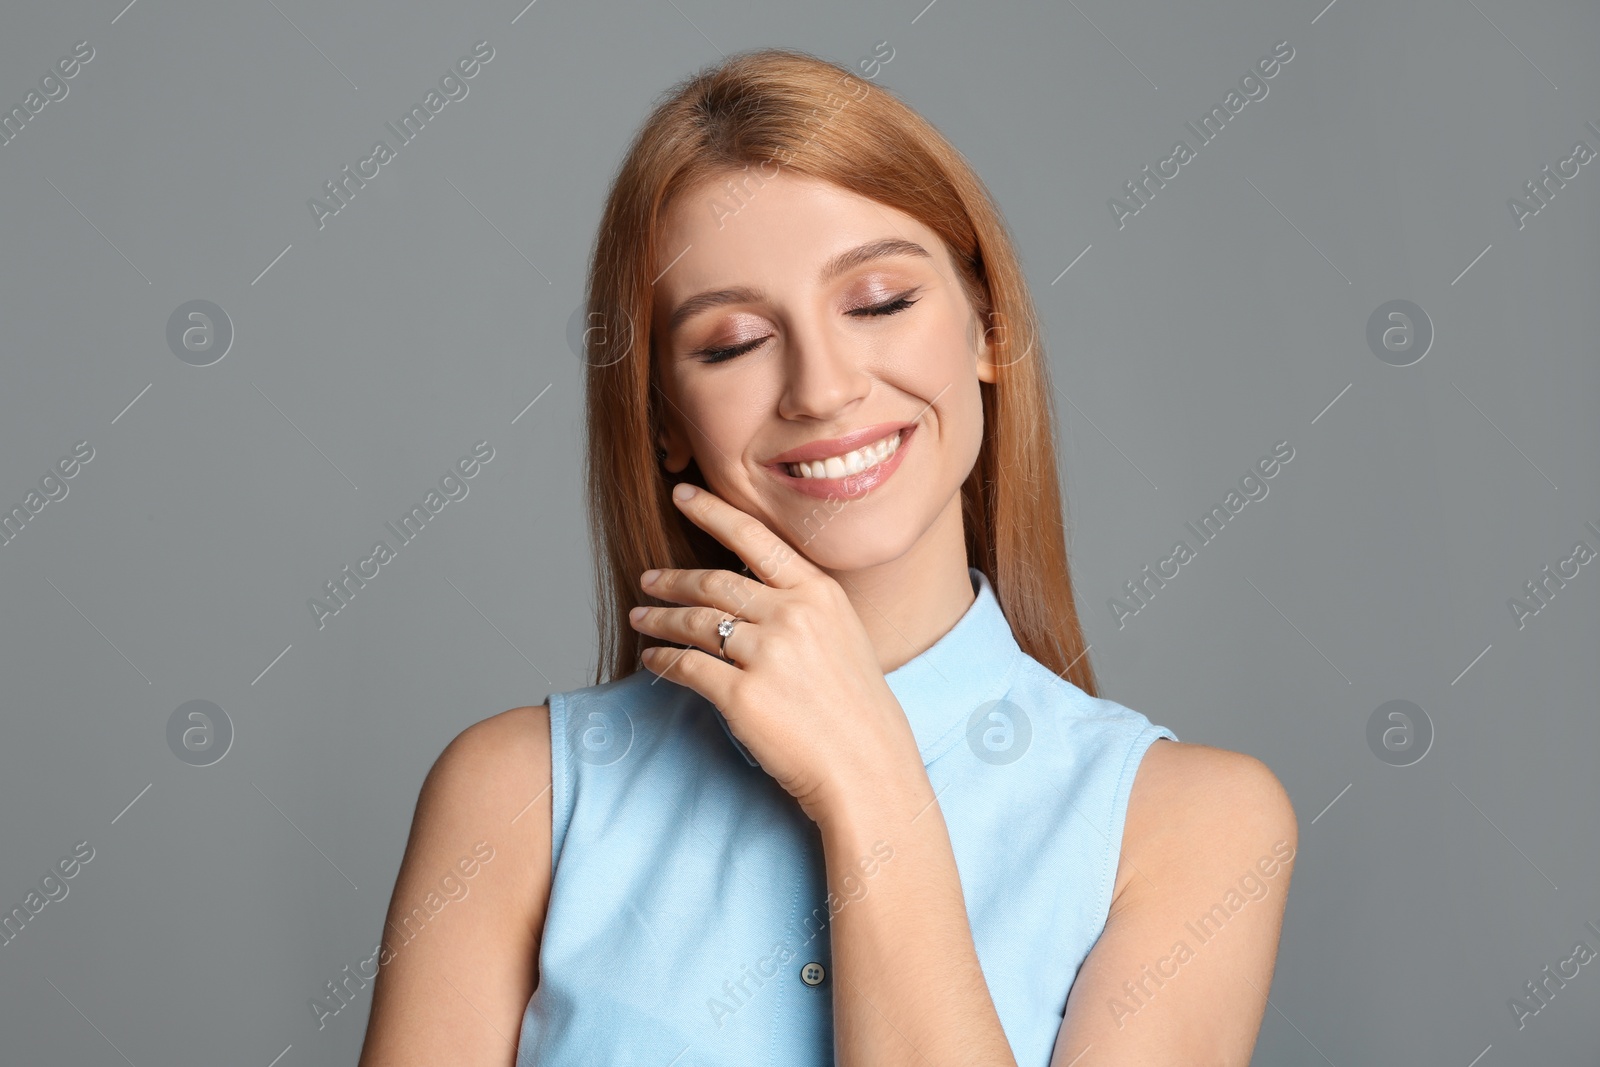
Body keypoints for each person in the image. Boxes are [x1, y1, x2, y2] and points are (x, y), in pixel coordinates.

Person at [358, 46, 1296, 1067]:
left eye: (881, 300)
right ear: (667, 419)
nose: (822, 386)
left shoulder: (1191, 826)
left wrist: (868, 778)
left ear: (988, 326)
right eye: (729, 343)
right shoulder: (513, 796)